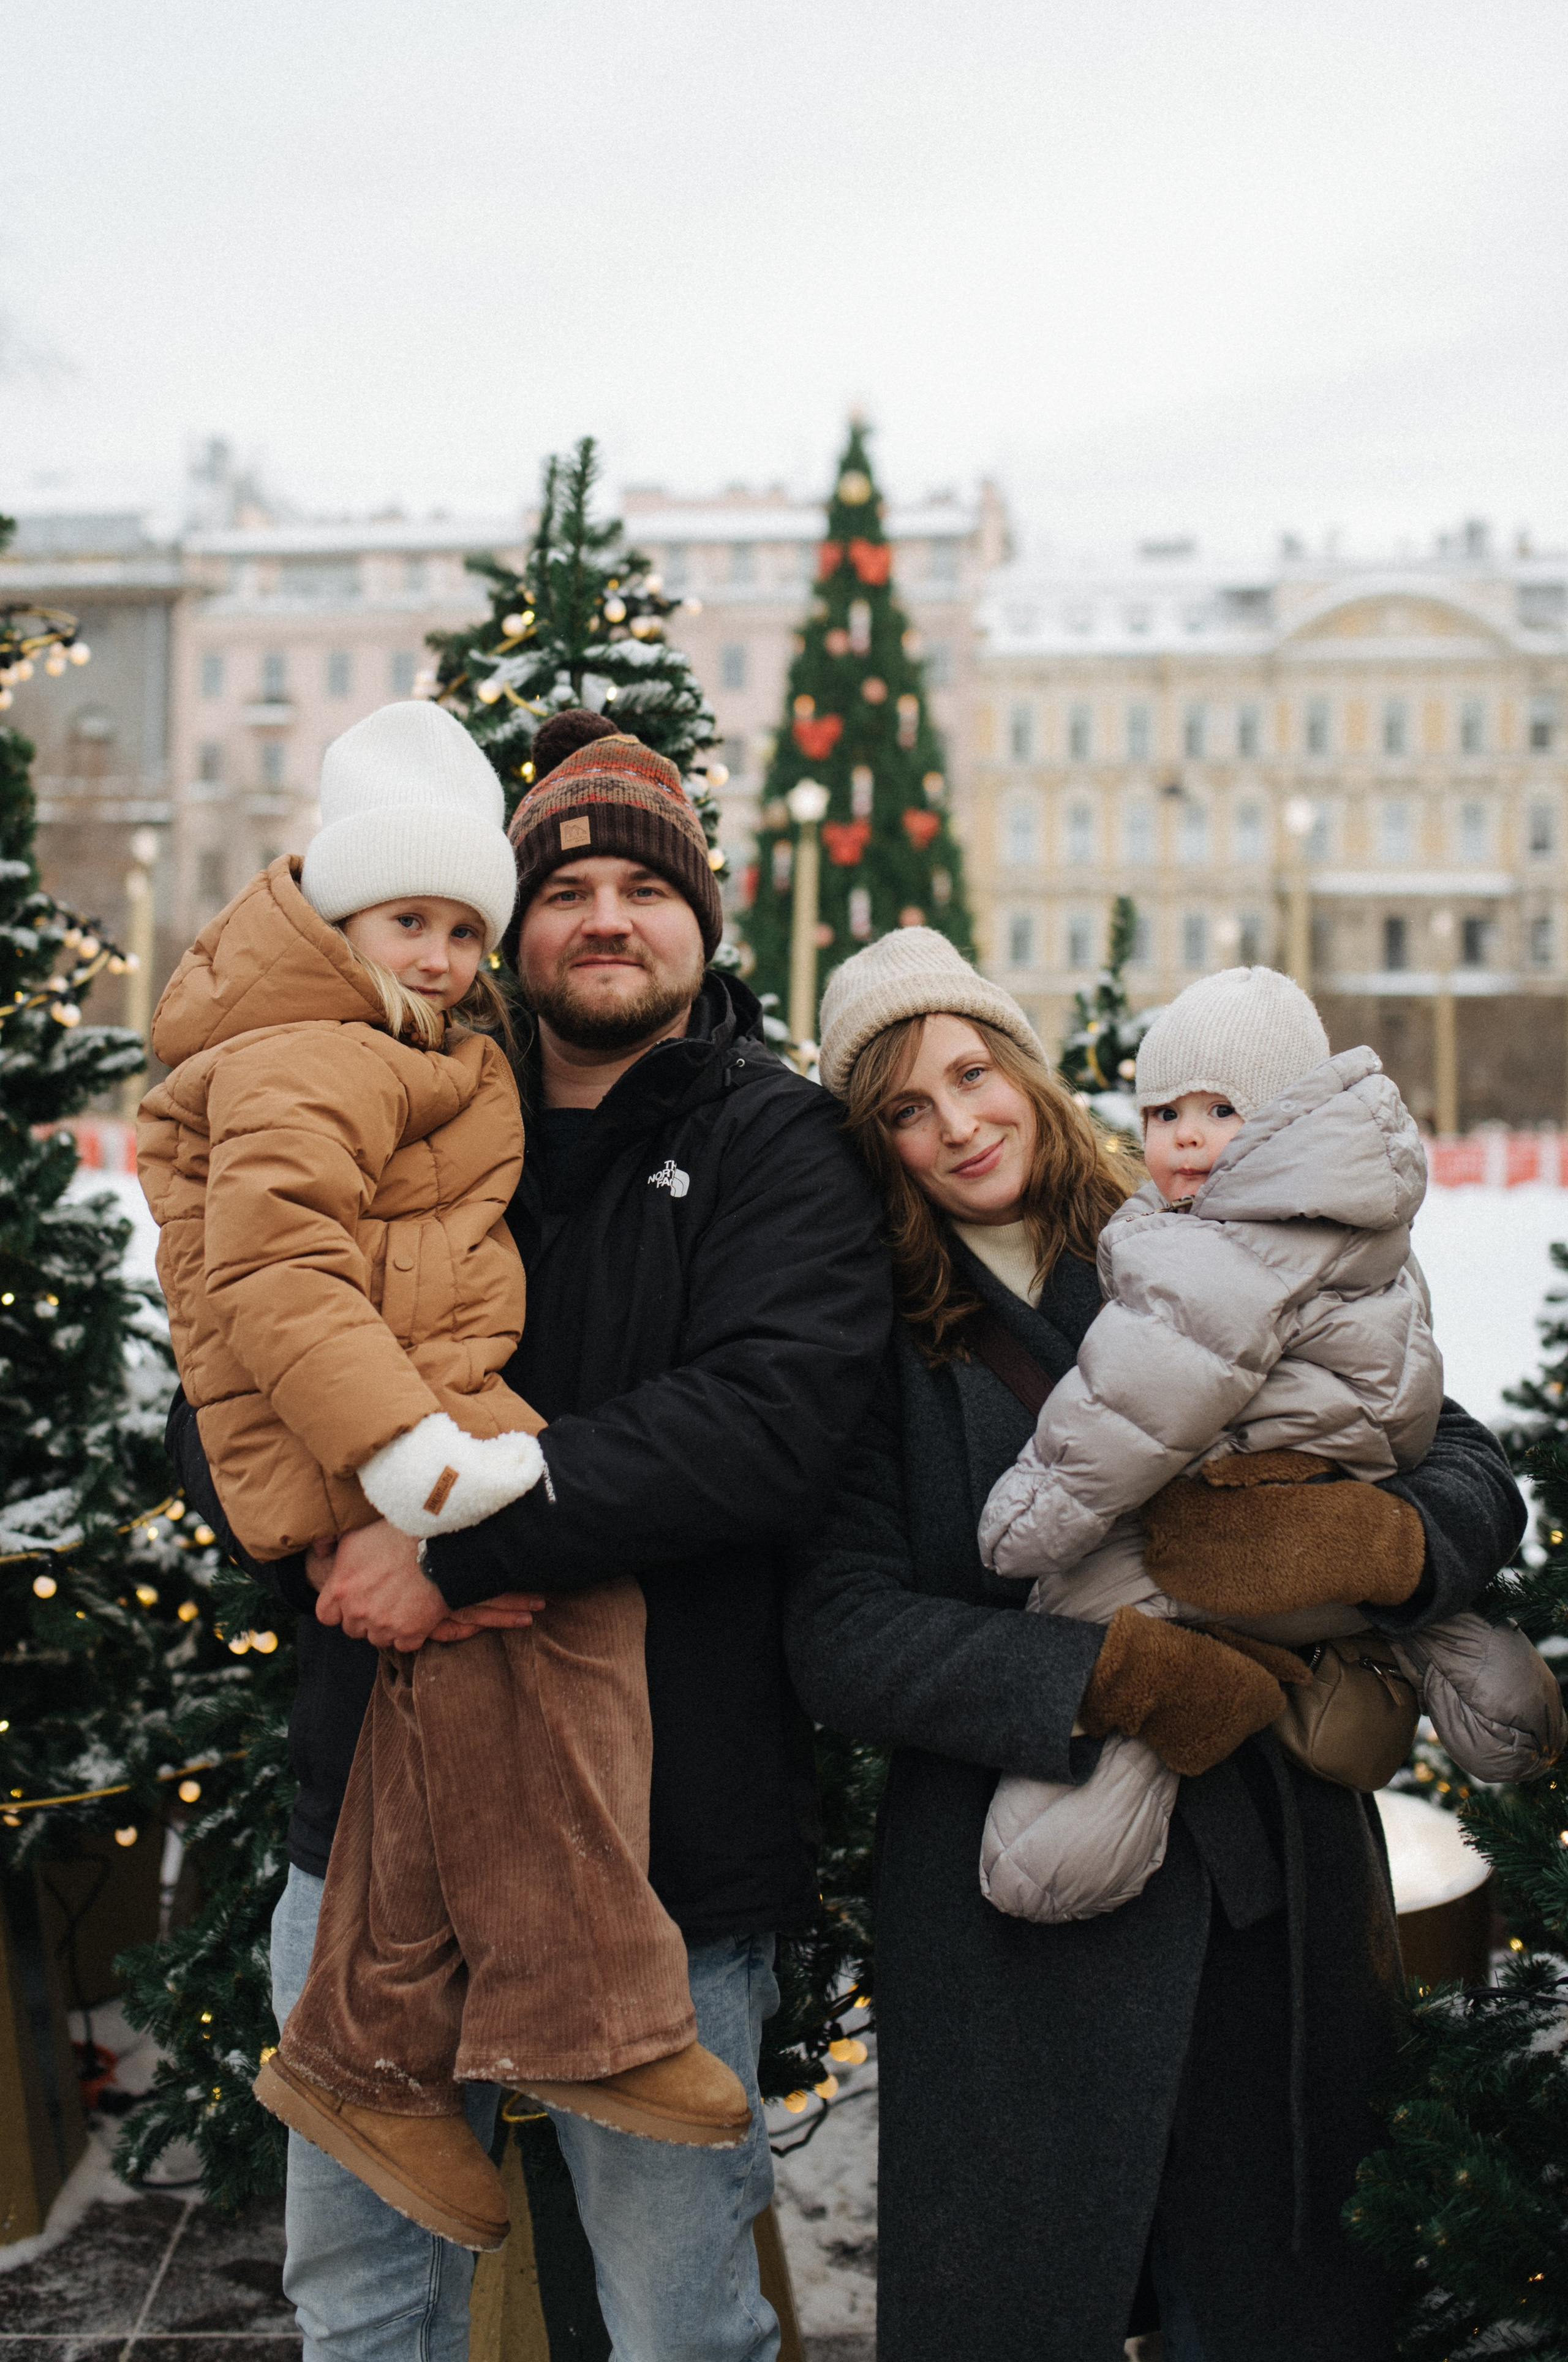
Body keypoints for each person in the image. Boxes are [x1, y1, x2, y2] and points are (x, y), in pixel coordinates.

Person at [168, 714, 892, 2361]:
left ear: (705, 925)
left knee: (680, 2321)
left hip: (665, 1839)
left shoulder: (772, 1142)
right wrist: (318, 1553)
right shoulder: (400, 1093)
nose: (607, 919)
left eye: (649, 886)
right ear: (511, 925)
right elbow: (219, 1364)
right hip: (366, 1816)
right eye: (565, 888)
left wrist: (456, 1547)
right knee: (361, 2296)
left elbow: (767, 1424)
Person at [784, 926, 1527, 2362]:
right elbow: (836, 1626)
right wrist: (1101, 1675)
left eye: (972, 1071)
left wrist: (1388, 1545)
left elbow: (1461, 1449)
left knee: (1266, 2306)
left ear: (1028, 1070)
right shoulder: (865, 1337)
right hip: (1023, 1932)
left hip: (1269, 1895)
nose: (956, 1124)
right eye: (903, 1107)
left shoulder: (1191, 1217)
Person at [976, 964, 1563, 1926]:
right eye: (1164, 1114)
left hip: (1265, 1480)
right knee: (1299, 1629)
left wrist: (1034, 1511)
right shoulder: (1341, 1211)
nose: (1188, 1135)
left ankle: (1065, 1842)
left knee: (1091, 1597)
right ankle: (1464, 1664)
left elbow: (1134, 1401)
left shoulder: (1225, 1242)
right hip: (1342, 1453)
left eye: (1220, 1110)